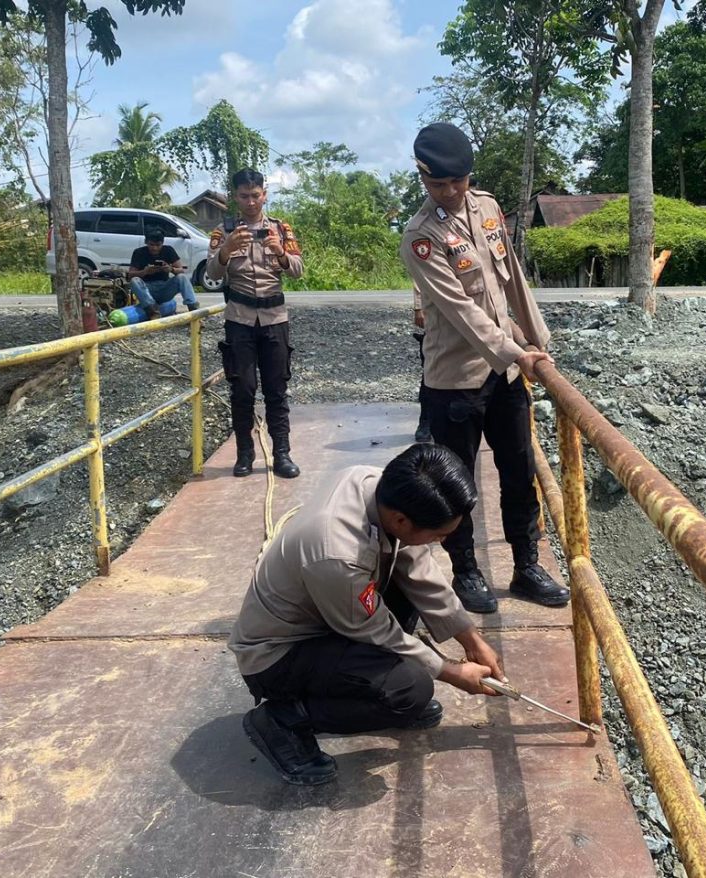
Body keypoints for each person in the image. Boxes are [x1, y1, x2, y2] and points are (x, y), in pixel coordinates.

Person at [230, 443, 506, 786]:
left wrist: (471, 638)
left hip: (330, 614)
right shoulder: (337, 554)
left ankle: (370, 690)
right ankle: (282, 720)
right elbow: (376, 630)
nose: (439, 542)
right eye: (438, 535)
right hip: (278, 655)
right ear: (402, 520)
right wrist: (449, 672)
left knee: (406, 590)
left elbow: (416, 565)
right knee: (411, 688)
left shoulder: (374, 485)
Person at [399, 122, 569, 615]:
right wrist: (519, 354)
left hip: (507, 375)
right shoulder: (421, 237)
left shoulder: (489, 207)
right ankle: (466, 572)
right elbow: (464, 313)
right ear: (423, 180)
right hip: (454, 380)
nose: (451, 193)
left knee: (518, 470)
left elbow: (511, 279)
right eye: (439, 185)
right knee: (458, 482)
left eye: (459, 182)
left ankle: (527, 565)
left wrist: (538, 343)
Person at [205, 168, 304, 479]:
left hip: (275, 318)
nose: (251, 202)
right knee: (243, 390)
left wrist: (281, 253)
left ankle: (282, 453)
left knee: (276, 389)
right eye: (244, 196)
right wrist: (226, 251)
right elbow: (212, 273)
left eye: (256, 195)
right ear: (236, 197)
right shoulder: (224, 232)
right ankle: (244, 453)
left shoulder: (280, 230)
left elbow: (299, 271)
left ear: (265, 194)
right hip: (240, 320)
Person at [127, 229, 199, 316]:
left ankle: (194, 310)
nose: (154, 248)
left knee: (182, 277)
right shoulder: (139, 252)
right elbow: (130, 274)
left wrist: (171, 269)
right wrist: (144, 272)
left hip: (164, 287)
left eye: (158, 245)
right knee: (135, 280)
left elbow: (181, 270)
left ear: (162, 243)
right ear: (146, 242)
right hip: (147, 289)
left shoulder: (168, 250)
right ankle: (152, 311)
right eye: (151, 245)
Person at [411, 283, 432, 444]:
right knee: (430, 372)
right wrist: (419, 307)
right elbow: (419, 272)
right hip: (438, 314)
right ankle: (426, 421)